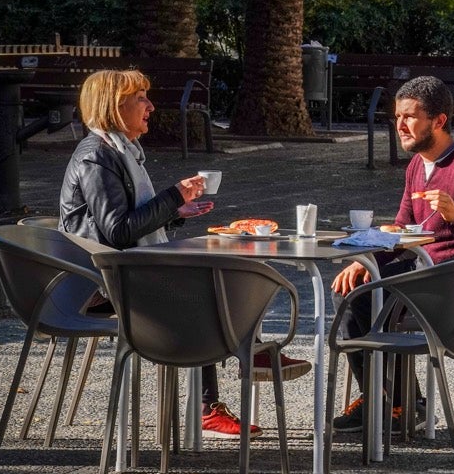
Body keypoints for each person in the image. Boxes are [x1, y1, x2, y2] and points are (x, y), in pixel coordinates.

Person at [58, 69, 296, 439]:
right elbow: (117, 231)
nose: (150, 106)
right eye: (141, 99)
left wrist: (173, 212)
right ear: (113, 106)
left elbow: (125, 223)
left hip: (122, 273)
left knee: (217, 277)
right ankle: (230, 375)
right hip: (99, 285)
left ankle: (247, 352)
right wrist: (173, 197)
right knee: (207, 289)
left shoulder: (121, 151)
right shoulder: (97, 157)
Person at [329, 75, 454, 431]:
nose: (400, 125)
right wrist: (365, 255)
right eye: (397, 117)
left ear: (438, 121)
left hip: (453, 286)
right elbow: (404, 226)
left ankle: (392, 403)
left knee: (365, 298)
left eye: (410, 117)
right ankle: (394, 402)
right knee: (356, 289)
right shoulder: (417, 165)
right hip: (422, 272)